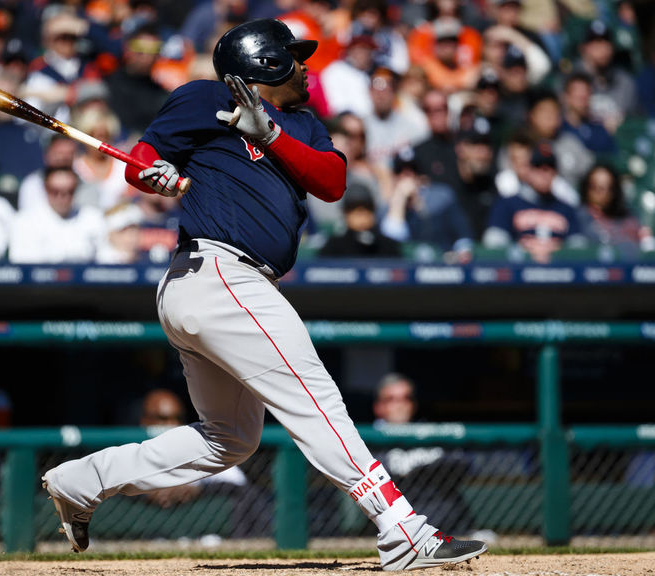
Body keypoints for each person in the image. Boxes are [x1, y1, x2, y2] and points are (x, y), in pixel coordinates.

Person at [41, 19, 487, 571]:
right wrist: (150, 175)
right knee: (315, 400)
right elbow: (143, 157)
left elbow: (332, 182)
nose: (304, 68)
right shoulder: (206, 97)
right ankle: (404, 531)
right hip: (217, 271)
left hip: (225, 287)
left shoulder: (303, 123)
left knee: (228, 440)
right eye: (293, 57)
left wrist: (271, 135)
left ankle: (81, 482)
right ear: (264, 63)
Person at [372, 373, 474, 532]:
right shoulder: (369, 440)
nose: (400, 405)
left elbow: (461, 462)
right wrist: (427, 470)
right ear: (379, 407)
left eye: (406, 398)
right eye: (392, 399)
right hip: (397, 526)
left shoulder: (427, 432)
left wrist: (413, 471)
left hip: (449, 521)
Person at [483, 143, 586, 263]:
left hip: (559, 273)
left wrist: (556, 251)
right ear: (528, 170)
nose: (544, 173)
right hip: (518, 272)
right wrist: (523, 251)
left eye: (549, 168)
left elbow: (579, 248)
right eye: (538, 167)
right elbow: (493, 242)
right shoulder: (507, 203)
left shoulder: (566, 208)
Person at [8, 166, 105, 264]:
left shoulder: (93, 218)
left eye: (69, 191)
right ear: (45, 189)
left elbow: (106, 261)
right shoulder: (24, 221)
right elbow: (22, 263)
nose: (62, 197)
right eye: (55, 191)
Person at [577, 164, 654, 258]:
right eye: (594, 186)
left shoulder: (628, 218)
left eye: (606, 187)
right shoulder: (577, 217)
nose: (600, 192)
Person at [318, 183, 402, 257]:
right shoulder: (334, 247)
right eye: (354, 209)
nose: (362, 216)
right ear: (345, 213)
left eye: (367, 208)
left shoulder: (387, 246)